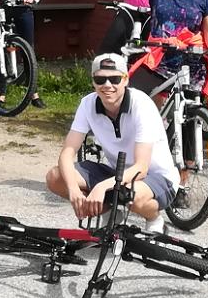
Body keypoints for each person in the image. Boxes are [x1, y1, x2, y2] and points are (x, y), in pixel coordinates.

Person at [44, 53, 177, 233]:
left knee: (132, 196)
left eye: (114, 79)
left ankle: (154, 219)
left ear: (125, 80)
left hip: (156, 177)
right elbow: (67, 153)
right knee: (55, 177)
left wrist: (101, 187)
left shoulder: (142, 105)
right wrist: (73, 190)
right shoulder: (87, 104)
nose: (107, 85)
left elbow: (142, 167)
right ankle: (110, 216)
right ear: (93, 82)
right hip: (118, 174)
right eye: (100, 79)